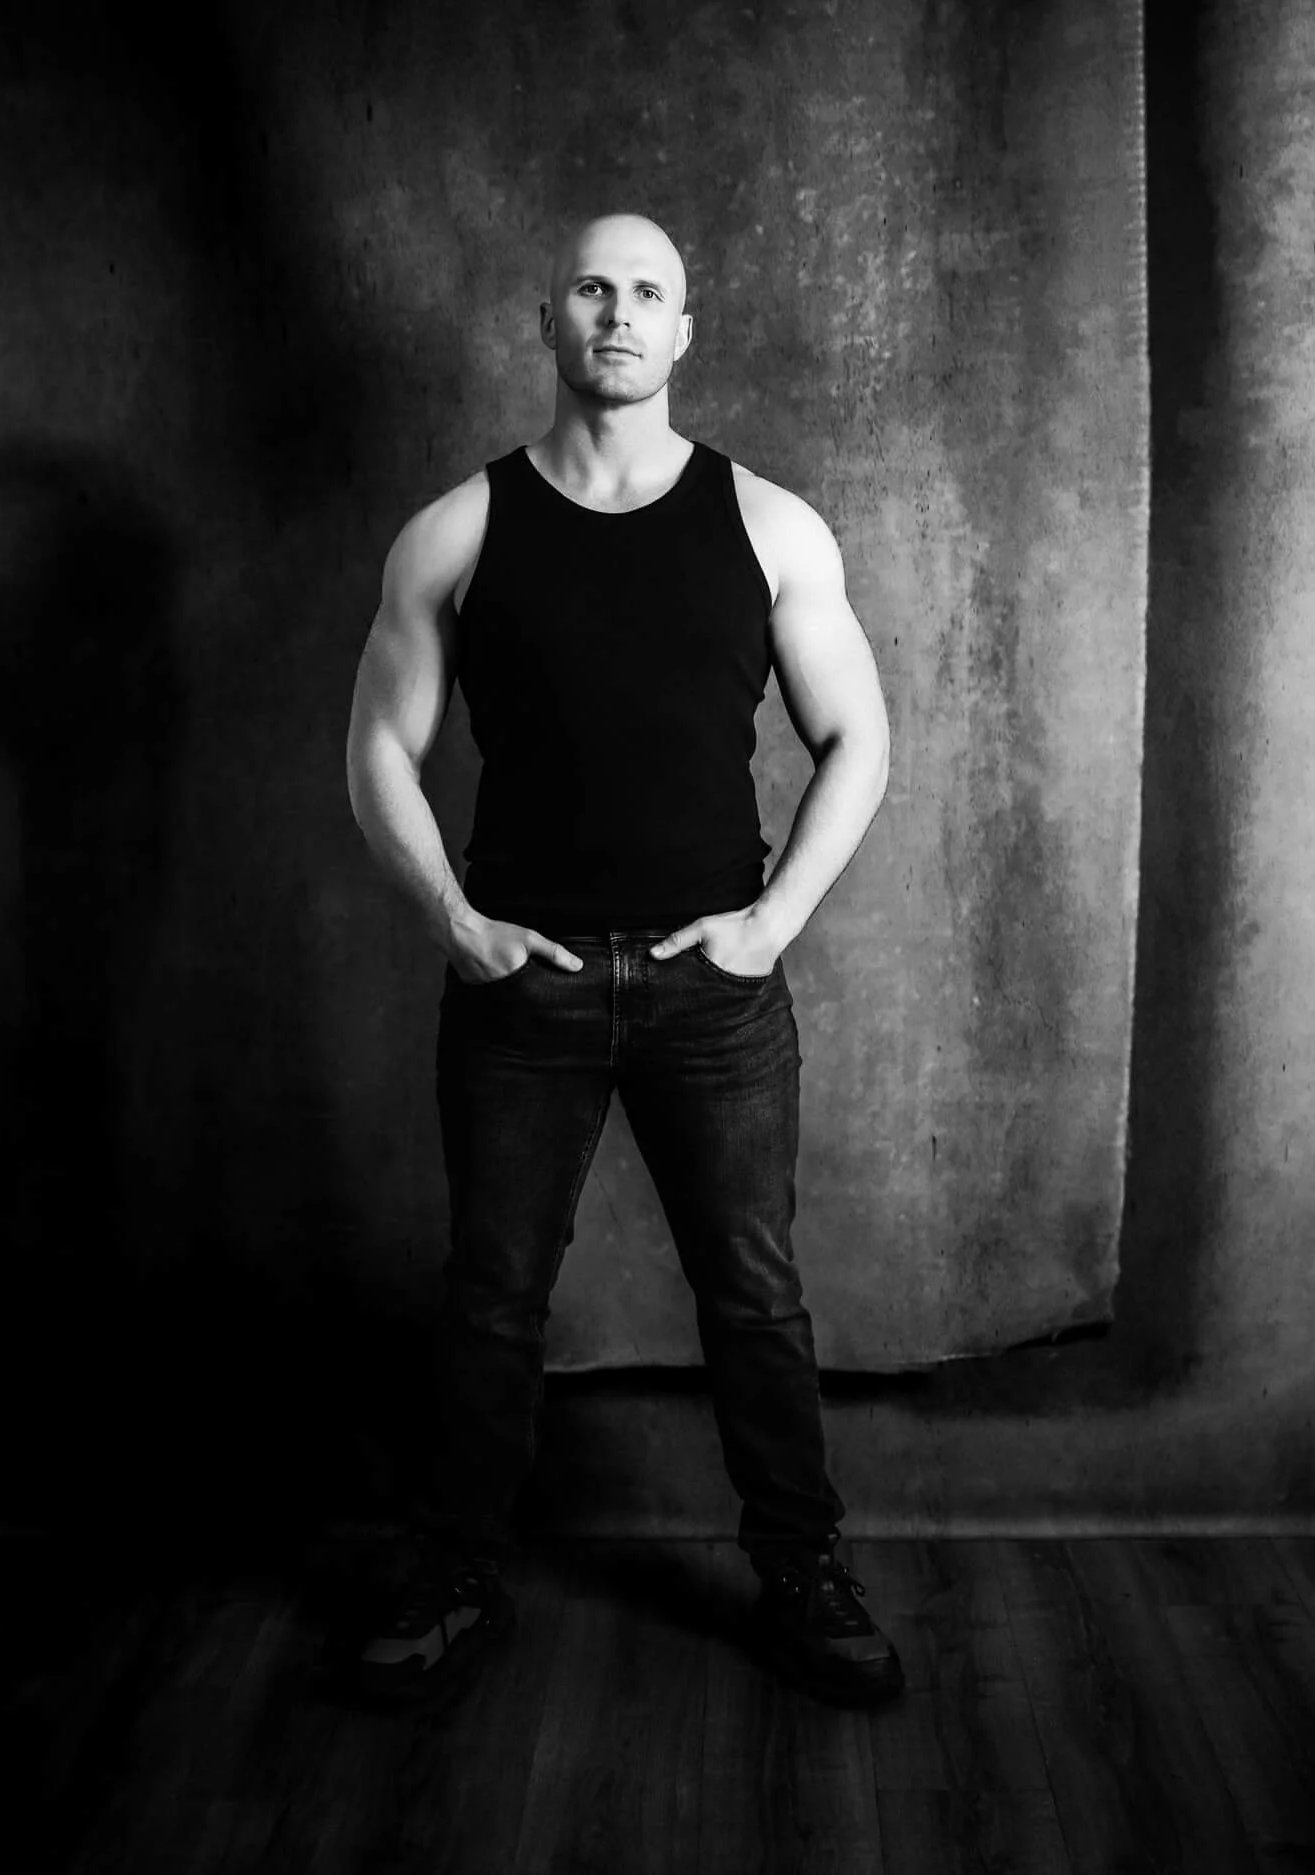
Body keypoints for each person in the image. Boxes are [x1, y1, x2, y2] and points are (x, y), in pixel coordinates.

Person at [342, 211, 900, 1708]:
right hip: (519, 992)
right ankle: (456, 1562)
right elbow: (375, 749)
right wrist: (457, 924)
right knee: (493, 1293)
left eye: (650, 290)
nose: (620, 312)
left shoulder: (771, 525)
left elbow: (862, 735)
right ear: (549, 320)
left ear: (683, 329)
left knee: (757, 1295)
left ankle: (803, 1566)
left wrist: (774, 921)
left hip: (711, 989)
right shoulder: (457, 530)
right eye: (595, 287)